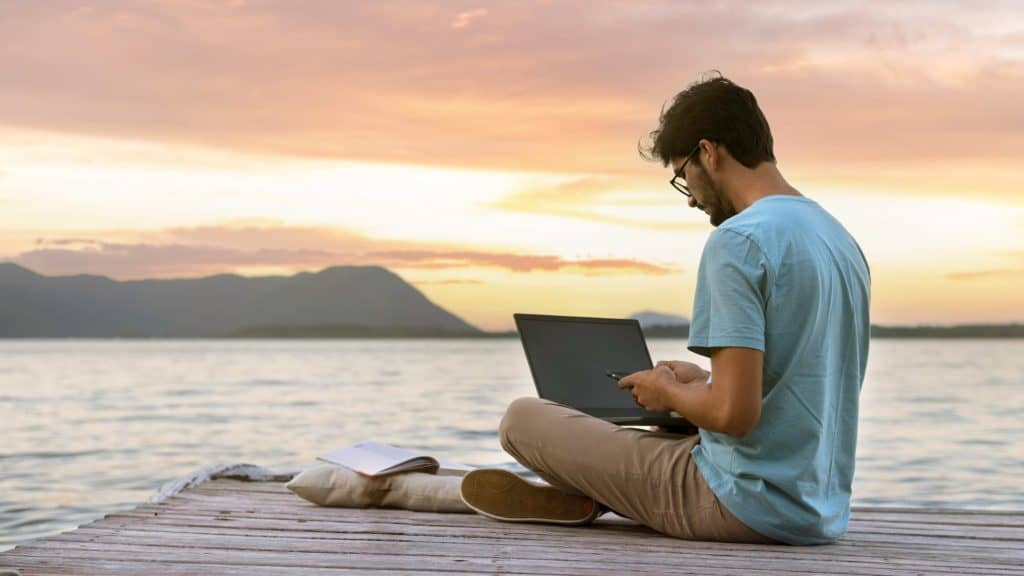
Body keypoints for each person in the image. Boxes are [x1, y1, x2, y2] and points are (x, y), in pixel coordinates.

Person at [459, 72, 871, 545]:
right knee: (660, 434)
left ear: (708, 153)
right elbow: (802, 383)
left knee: (523, 420)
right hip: (817, 509)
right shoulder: (838, 239)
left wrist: (666, 392)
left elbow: (736, 416)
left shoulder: (738, 241)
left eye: (682, 176)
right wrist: (704, 383)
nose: (691, 197)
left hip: (739, 502)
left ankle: (591, 493)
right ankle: (593, 492)